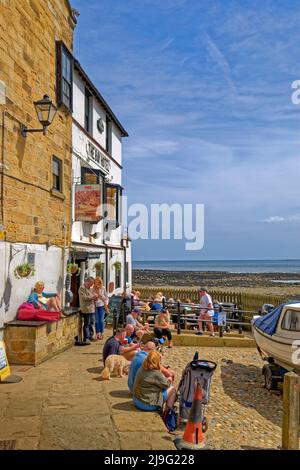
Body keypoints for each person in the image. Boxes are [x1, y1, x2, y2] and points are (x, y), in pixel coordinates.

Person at [78, 277, 98, 344]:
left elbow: (92, 297)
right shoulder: (82, 288)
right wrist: (92, 297)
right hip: (86, 309)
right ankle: (86, 338)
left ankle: (90, 336)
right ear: (87, 281)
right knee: (87, 324)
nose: (91, 285)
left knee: (92, 323)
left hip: (91, 309)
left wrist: (95, 298)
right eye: (91, 283)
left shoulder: (90, 288)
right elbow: (83, 298)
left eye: (92, 284)